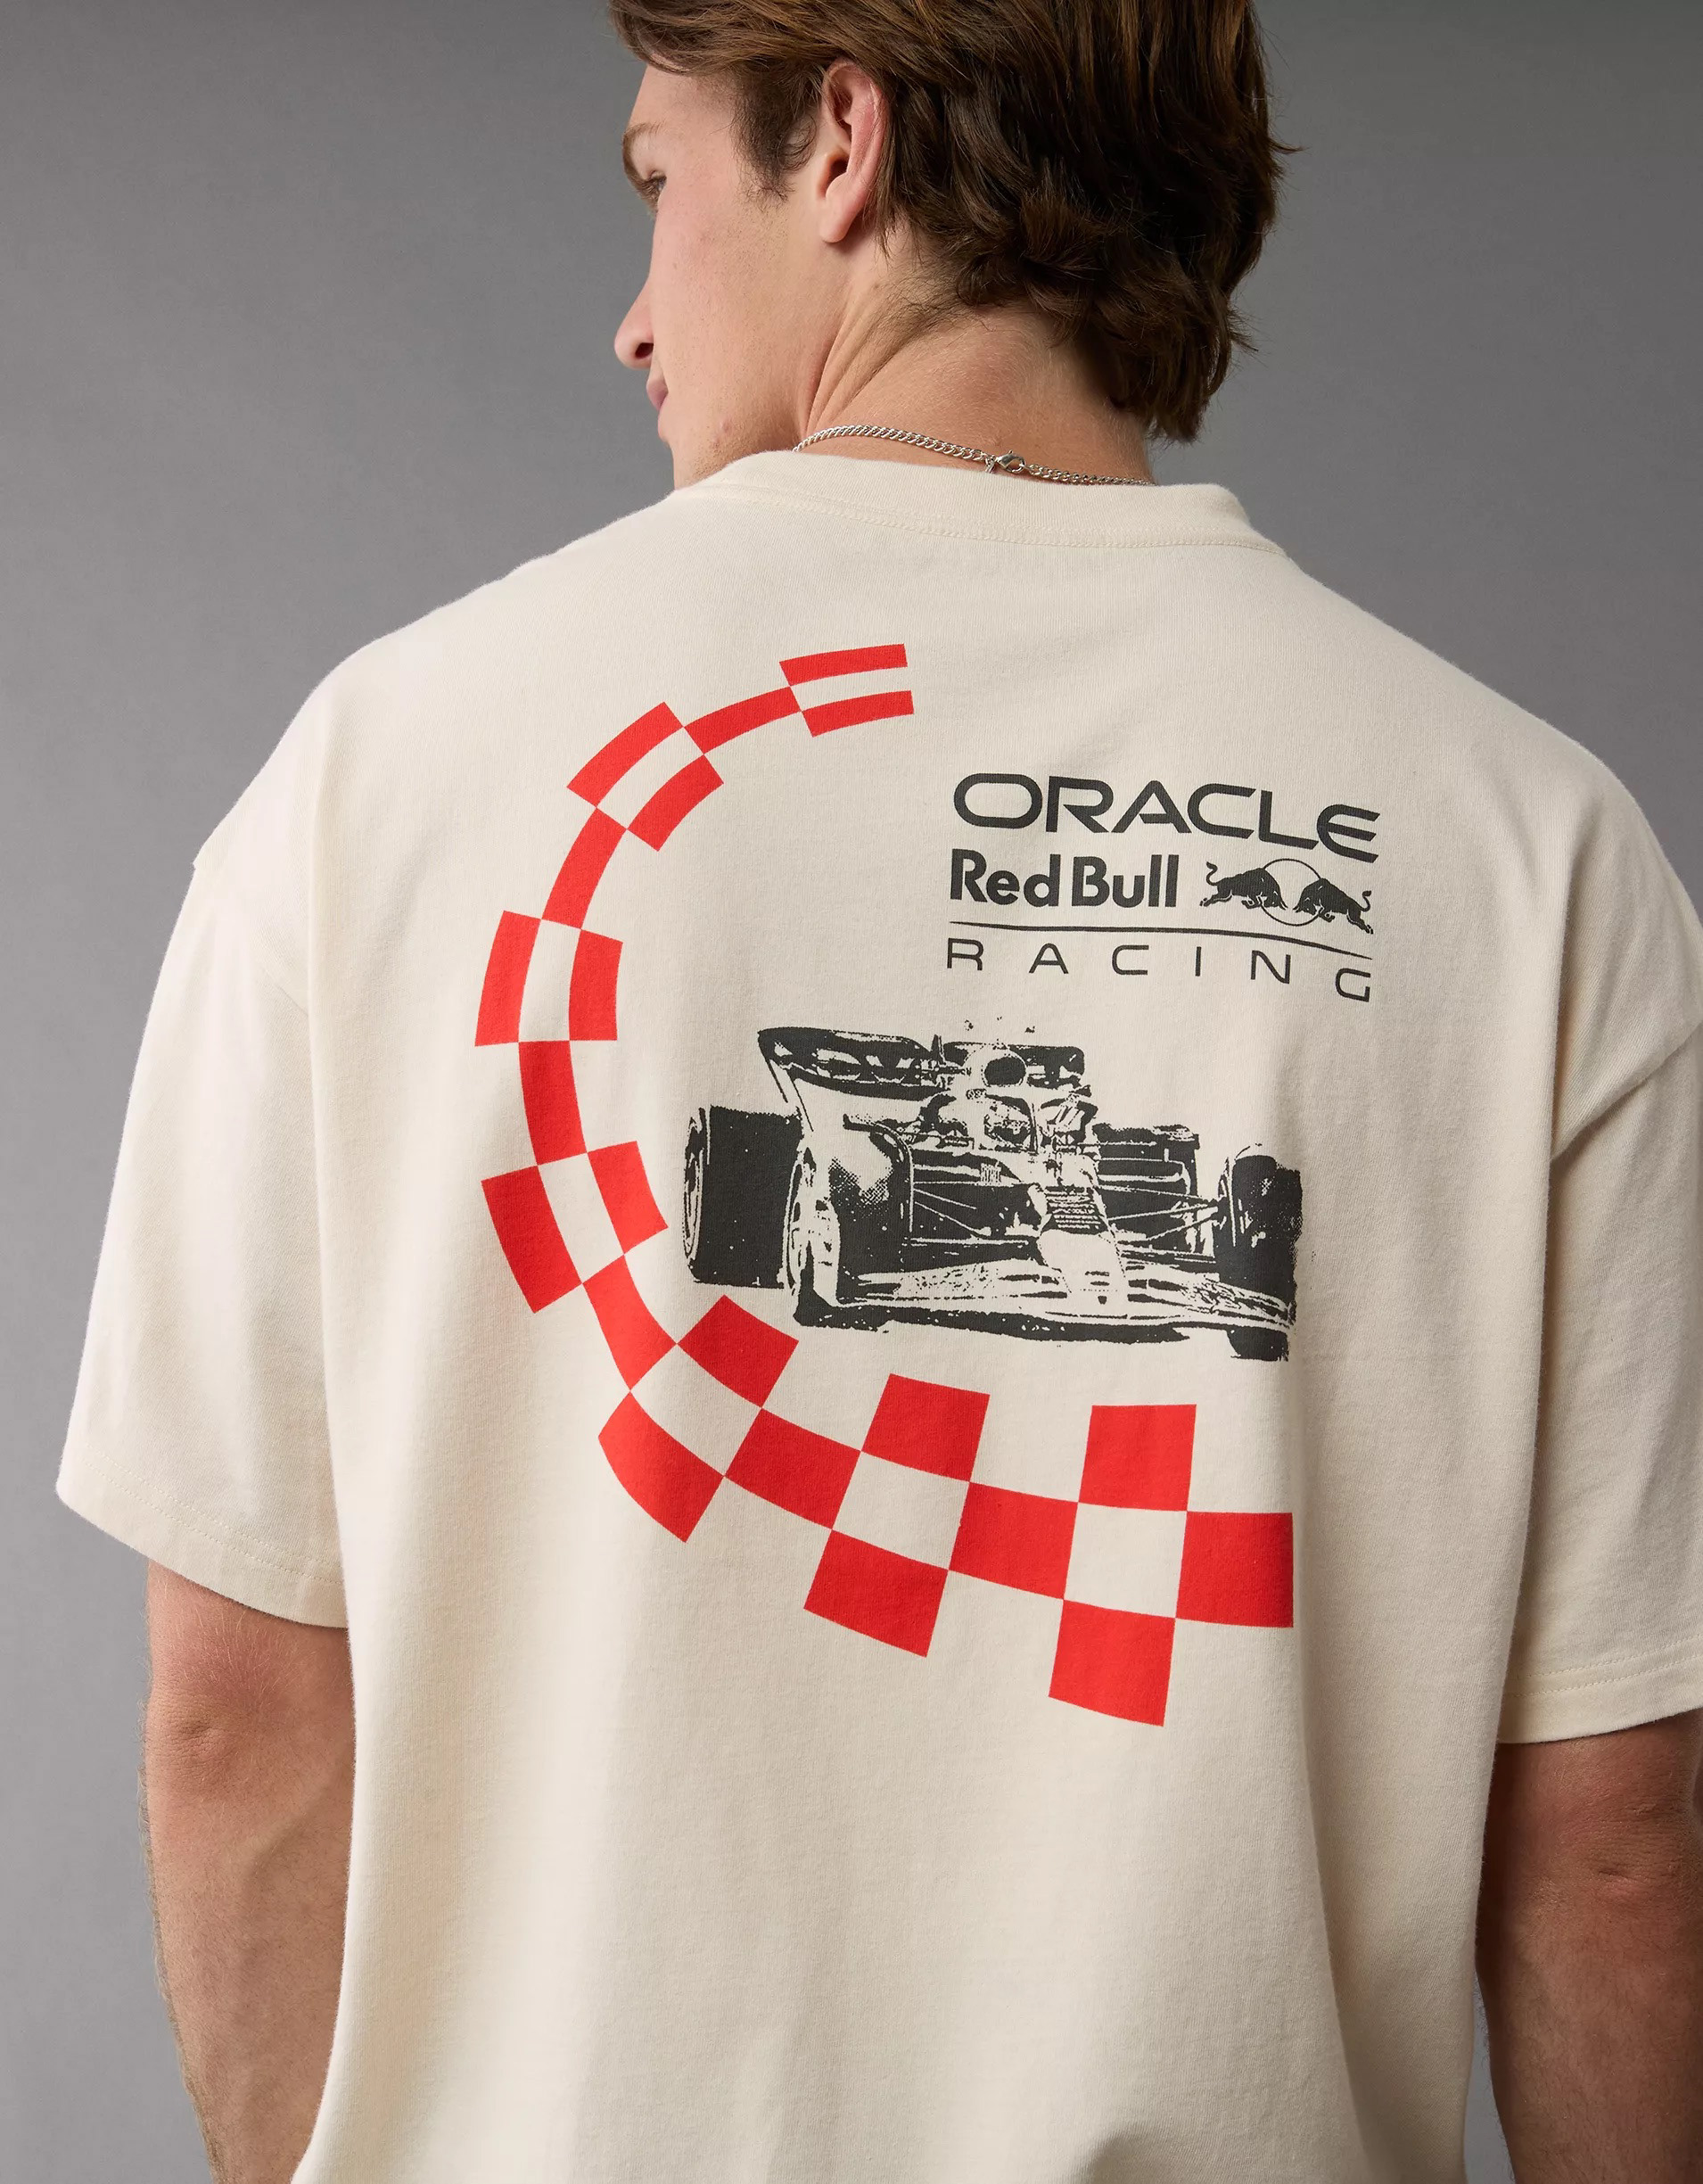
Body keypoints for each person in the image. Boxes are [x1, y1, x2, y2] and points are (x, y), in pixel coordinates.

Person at [58, 1, 1703, 2178]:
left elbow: (239, 1718)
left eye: (657, 184)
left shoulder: (379, 778)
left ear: (841, 143)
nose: (633, 321)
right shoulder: (1525, 849)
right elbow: (1608, 1836)